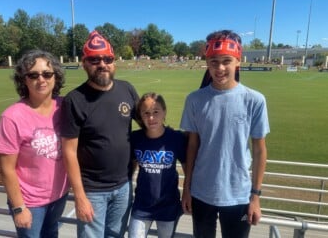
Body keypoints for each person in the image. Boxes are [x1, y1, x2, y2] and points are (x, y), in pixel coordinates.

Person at [180, 30, 270, 238]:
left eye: (226, 61)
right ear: (207, 63)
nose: (219, 68)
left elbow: (259, 151)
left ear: (238, 61)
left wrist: (255, 197)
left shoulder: (255, 100)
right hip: (201, 193)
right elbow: (192, 146)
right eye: (213, 62)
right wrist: (187, 189)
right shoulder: (194, 100)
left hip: (239, 195)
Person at [60, 30, 139, 238]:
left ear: (114, 62)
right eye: (95, 60)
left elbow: (149, 126)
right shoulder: (74, 100)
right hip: (92, 191)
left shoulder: (127, 89)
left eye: (108, 59)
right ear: (85, 63)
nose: (102, 64)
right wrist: (79, 196)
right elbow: (69, 152)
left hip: (123, 185)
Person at [0, 49, 70, 237]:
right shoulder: (11, 117)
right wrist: (19, 207)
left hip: (58, 196)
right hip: (29, 202)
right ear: (24, 80)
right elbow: (6, 169)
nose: (41, 79)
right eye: (33, 75)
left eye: (47, 74)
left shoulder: (65, 107)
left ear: (56, 77)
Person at [128, 92, 187, 238]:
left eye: (156, 112)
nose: (151, 118)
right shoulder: (135, 138)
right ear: (141, 116)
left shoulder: (176, 138)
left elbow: (188, 168)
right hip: (142, 205)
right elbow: (131, 166)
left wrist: (187, 193)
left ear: (164, 112)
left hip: (168, 206)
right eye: (146, 113)